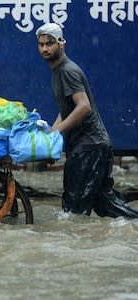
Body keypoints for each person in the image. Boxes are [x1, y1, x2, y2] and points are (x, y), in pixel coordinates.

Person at [35, 23, 138, 218]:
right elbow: (66, 108)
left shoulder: (67, 71)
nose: (45, 48)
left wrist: (58, 130)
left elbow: (83, 106)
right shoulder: (58, 71)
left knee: (74, 211)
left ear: (61, 43)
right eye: (41, 44)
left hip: (89, 149)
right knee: (107, 206)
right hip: (93, 146)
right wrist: (53, 135)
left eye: (50, 43)